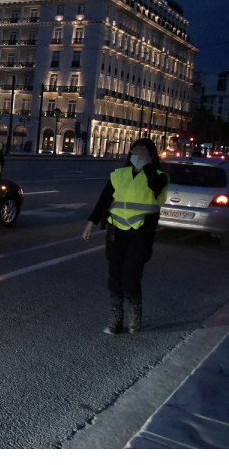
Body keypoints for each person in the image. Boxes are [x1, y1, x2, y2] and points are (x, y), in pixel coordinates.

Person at [82, 138, 168, 334]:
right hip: (117, 230)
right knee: (115, 275)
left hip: (142, 232)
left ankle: (135, 310)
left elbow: (155, 187)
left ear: (151, 156)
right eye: (134, 152)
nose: (136, 156)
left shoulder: (159, 176)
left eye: (142, 153)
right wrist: (91, 223)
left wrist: (147, 166)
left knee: (131, 274)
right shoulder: (119, 175)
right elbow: (104, 199)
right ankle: (116, 317)